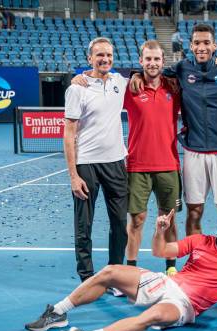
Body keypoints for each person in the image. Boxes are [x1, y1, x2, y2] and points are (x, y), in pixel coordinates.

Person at [25, 206, 217, 331]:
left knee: (152, 316)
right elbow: (161, 251)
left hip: (185, 305)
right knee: (110, 271)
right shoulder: (200, 240)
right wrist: (159, 231)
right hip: (166, 283)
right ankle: (58, 312)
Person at [131, 24, 217, 237]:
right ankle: (195, 259)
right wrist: (136, 74)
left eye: (206, 43)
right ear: (190, 46)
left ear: (214, 45)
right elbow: (154, 71)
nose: (201, 47)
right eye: (197, 43)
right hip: (194, 152)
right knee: (194, 211)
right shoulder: (181, 68)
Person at [63, 37, 128, 285]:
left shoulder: (119, 82)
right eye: (100, 55)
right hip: (86, 164)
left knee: (120, 224)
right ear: (89, 58)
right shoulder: (77, 88)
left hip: (115, 163)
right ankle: (87, 277)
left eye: (109, 55)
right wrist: (73, 175)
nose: (105, 59)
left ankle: (116, 273)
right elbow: (69, 133)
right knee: (84, 225)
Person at [122, 40, 182, 276]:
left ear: (163, 62)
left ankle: (171, 268)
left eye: (156, 59)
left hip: (168, 164)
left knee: (169, 220)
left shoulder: (173, 89)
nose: (152, 63)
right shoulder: (131, 88)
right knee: (137, 220)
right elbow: (104, 80)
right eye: (148, 59)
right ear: (141, 61)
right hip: (137, 166)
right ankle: (131, 270)